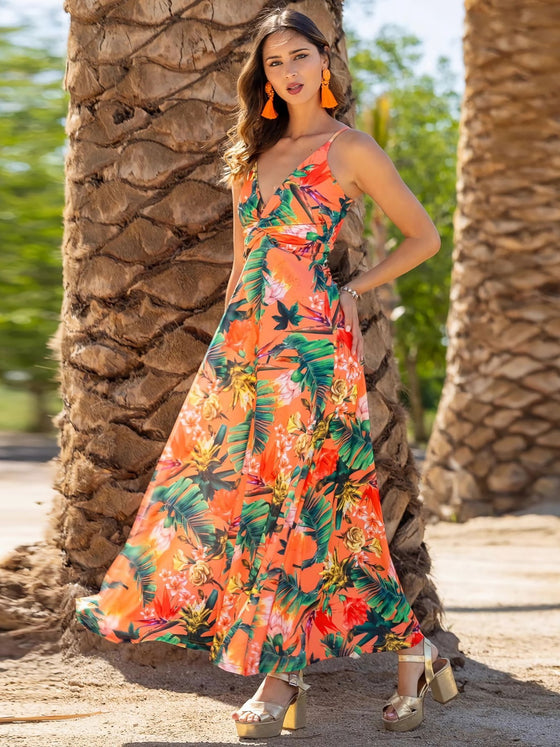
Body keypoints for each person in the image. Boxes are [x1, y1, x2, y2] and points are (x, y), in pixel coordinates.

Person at [75, 7, 458, 740]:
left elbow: (425, 237)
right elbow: (241, 265)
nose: (289, 70)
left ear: (324, 62)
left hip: (312, 350)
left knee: (296, 502)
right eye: (275, 61)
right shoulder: (249, 152)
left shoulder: (350, 148)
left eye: (300, 56)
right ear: (266, 77)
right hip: (247, 349)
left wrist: (352, 287)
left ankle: (282, 674)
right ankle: (415, 649)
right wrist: (220, 359)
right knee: (268, 503)